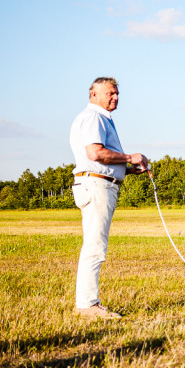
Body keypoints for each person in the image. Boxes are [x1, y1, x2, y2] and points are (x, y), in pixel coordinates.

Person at [70, 77, 150, 319]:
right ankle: (87, 305)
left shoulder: (100, 118)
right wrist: (130, 157)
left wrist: (127, 169)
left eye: (117, 94)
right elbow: (96, 153)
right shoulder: (94, 117)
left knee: (95, 245)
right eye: (110, 93)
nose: (115, 97)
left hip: (99, 183)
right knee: (95, 246)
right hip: (96, 185)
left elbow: (102, 158)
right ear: (94, 94)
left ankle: (88, 303)